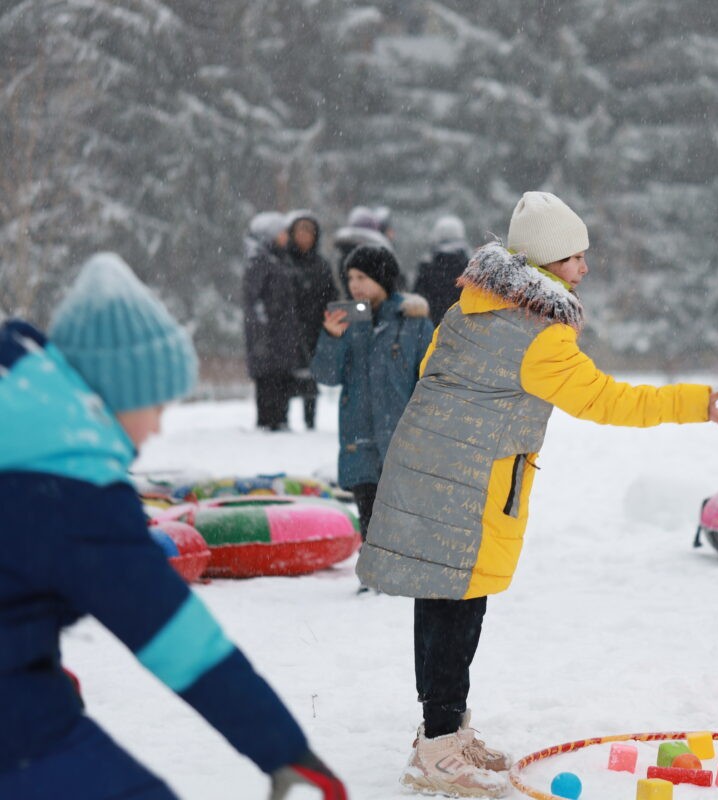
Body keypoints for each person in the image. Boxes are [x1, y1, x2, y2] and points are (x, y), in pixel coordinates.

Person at [357, 191, 718, 797]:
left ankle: (443, 733)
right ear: (545, 263)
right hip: (472, 481)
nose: (585, 269)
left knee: (443, 602)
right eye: (576, 257)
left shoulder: (467, 309)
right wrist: (692, 403)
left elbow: (432, 371)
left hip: (429, 465)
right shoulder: (540, 335)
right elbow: (609, 400)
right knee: (458, 609)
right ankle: (436, 750)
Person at [0, 254, 346, 799]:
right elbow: (175, 636)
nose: (159, 425)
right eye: (156, 404)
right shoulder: (72, 483)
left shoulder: (21, 428)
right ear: (115, 394)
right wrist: (281, 746)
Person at [311, 245, 434, 540]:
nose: (354, 285)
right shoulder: (346, 322)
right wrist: (331, 337)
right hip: (359, 438)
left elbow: (431, 379)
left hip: (402, 438)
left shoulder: (413, 322)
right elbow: (326, 376)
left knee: (403, 517)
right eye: (350, 277)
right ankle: (370, 580)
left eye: (362, 277)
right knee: (368, 516)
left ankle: (399, 579)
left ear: (381, 278)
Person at [242, 211, 308, 432]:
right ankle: (269, 422)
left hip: (281, 337)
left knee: (281, 380)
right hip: (270, 339)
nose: (286, 237)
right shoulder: (260, 261)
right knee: (268, 382)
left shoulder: (278, 259)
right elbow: (254, 301)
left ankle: (280, 420)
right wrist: (263, 334)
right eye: (281, 233)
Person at [285, 210, 339, 431]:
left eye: (309, 230)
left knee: (310, 377)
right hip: (288, 328)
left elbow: (331, 296)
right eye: (300, 230)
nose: (304, 235)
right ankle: (283, 421)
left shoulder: (321, 265)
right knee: (286, 377)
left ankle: (310, 421)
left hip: (315, 328)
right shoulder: (284, 262)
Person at [414, 214, 471, 326]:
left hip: (433, 329)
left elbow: (418, 301)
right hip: (464, 330)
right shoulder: (471, 267)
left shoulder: (427, 267)